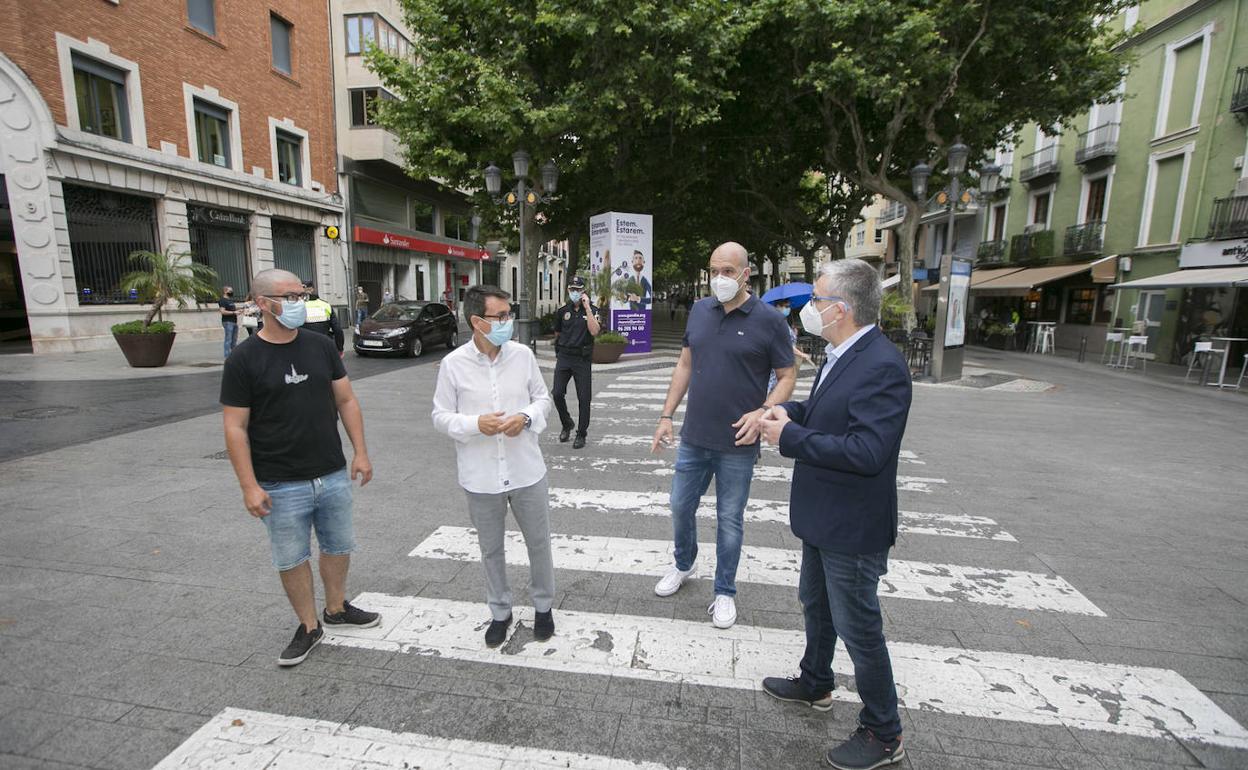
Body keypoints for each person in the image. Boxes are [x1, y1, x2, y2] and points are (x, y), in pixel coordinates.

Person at [757, 259, 912, 770]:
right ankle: (815, 682)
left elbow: (868, 451)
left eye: (816, 300)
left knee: (858, 627)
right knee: (816, 606)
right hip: (824, 515)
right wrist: (791, 412)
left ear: (841, 310)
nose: (809, 309)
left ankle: (884, 732)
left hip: (853, 524)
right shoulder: (843, 352)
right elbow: (831, 412)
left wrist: (791, 438)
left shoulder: (883, 364)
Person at [220, 268, 378, 667]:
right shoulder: (243, 359)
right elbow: (235, 428)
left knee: (338, 546)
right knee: (291, 557)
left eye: (301, 294)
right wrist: (249, 486)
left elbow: (346, 401)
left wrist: (360, 452)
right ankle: (309, 626)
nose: (298, 302)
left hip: (331, 471)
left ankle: (337, 608)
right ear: (262, 304)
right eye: (288, 296)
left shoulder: (320, 346)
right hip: (278, 479)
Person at [649, 242, 796, 629]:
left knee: (730, 520)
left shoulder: (769, 320)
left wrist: (764, 411)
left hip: (739, 442)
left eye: (728, 271)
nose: (720, 279)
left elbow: (788, 376)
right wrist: (666, 415)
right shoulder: (699, 310)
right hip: (695, 436)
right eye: (714, 271)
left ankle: (725, 591)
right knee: (680, 506)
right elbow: (684, 364)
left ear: (746, 274)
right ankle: (684, 563)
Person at [432, 284, 556, 648]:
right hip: (481, 475)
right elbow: (440, 416)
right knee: (491, 549)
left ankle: (544, 608)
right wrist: (475, 425)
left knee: (538, 543)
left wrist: (526, 417)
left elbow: (542, 399)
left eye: (508, 314)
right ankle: (500, 612)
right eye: (500, 316)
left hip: (526, 470)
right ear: (476, 321)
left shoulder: (522, 356)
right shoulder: (453, 365)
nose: (508, 322)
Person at [552, 275, 601, 449]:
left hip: (582, 358)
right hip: (565, 357)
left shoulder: (593, 310)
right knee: (557, 393)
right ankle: (567, 423)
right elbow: (557, 334)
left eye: (578, 290)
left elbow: (595, 332)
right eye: (572, 289)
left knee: (584, 398)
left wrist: (587, 307)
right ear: (568, 290)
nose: (575, 292)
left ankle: (581, 433)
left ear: (584, 291)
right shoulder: (562, 311)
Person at [769, 298, 813, 392]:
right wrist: (802, 354)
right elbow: (786, 345)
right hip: (779, 361)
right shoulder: (777, 322)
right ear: (777, 307)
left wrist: (794, 333)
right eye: (786, 306)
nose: (788, 309)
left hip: (785, 360)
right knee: (776, 390)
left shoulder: (783, 321)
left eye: (789, 306)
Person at [303, 281, 344, 356]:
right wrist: (340, 348)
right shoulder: (325, 305)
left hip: (305, 348)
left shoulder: (298, 306)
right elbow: (338, 330)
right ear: (313, 289)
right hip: (324, 346)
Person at [219, 286, 239, 358]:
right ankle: (227, 356)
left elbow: (232, 310)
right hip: (228, 322)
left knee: (234, 339)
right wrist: (234, 312)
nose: (231, 292)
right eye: (230, 291)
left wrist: (238, 312)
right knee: (228, 339)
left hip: (234, 321)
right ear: (225, 291)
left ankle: (234, 355)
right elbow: (222, 311)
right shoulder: (223, 300)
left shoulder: (230, 300)